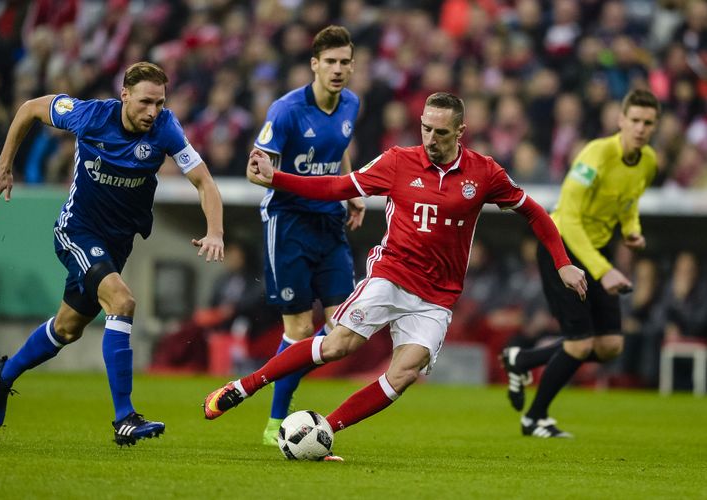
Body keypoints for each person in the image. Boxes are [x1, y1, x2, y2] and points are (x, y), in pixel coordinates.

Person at [202, 92, 587, 459]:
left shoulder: (484, 173)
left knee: (404, 374)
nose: (431, 138)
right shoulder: (398, 161)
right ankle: (243, 387)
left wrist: (562, 262)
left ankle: (326, 431)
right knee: (337, 346)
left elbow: (535, 211)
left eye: (440, 132)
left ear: (460, 132)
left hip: (437, 297)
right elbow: (337, 185)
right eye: (425, 129)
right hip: (391, 276)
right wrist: (278, 178)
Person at [0, 62, 225, 446]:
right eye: (146, 102)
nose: (153, 112)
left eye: (160, 103)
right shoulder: (89, 115)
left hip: (116, 242)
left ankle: (4, 374)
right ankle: (124, 417)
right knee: (123, 301)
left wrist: (215, 231)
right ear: (124, 94)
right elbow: (29, 107)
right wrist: (4, 165)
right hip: (77, 231)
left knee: (67, 328)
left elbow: (204, 182)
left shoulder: (166, 128)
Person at [500, 88, 660, 438]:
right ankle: (535, 418)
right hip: (561, 249)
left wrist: (632, 230)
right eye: (634, 120)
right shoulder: (595, 155)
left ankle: (522, 360)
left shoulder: (648, 161)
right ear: (620, 120)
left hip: (595, 254)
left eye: (648, 122)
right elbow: (568, 219)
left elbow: (628, 203)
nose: (641, 128)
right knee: (579, 344)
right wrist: (604, 271)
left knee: (609, 346)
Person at [252, 25, 365, 446]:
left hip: (330, 224)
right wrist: (287, 180)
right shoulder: (286, 111)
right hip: (289, 225)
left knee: (344, 330)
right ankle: (275, 420)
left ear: (352, 67)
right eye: (330, 62)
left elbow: (341, 148)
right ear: (314, 64)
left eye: (344, 62)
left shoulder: (352, 103)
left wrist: (351, 189)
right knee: (299, 328)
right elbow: (255, 169)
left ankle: (281, 376)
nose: (337, 70)